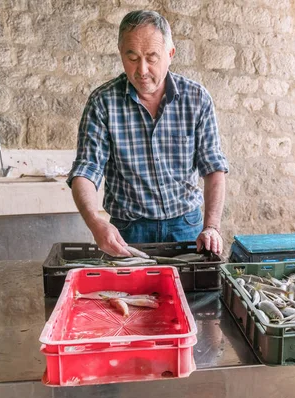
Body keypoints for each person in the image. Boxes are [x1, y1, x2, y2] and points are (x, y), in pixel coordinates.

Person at [67, 10, 228, 256]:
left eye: (152, 57)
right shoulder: (103, 102)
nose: (142, 70)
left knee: (192, 294)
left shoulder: (197, 98)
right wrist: (95, 222)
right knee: (130, 295)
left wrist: (212, 227)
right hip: (129, 230)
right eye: (132, 58)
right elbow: (86, 171)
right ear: (121, 54)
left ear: (170, 54)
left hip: (186, 227)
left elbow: (213, 167)